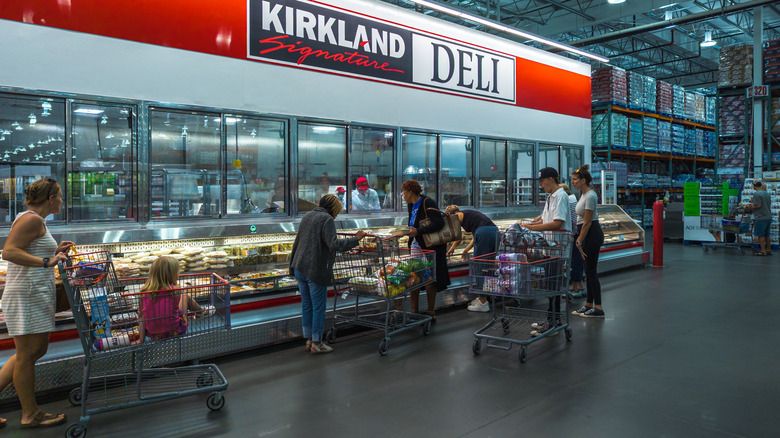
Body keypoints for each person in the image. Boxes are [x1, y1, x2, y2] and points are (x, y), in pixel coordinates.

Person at [0, 178, 72, 429]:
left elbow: (27, 249)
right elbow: (8, 251)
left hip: (33, 294)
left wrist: (53, 254)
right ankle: (30, 414)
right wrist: (46, 262)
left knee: (33, 351)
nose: (62, 200)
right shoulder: (31, 219)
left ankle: (31, 412)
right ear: (50, 198)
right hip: (25, 296)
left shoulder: (36, 220)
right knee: (27, 355)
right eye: (60, 196)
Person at [289, 194, 366, 354]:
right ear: (332, 208)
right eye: (337, 211)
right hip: (315, 269)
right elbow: (334, 244)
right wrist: (356, 239)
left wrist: (292, 267)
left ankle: (310, 339)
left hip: (299, 267)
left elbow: (297, 242)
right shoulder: (326, 219)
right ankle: (317, 343)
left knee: (307, 305)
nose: (336, 215)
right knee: (318, 307)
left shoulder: (308, 216)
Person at [524, 168, 572, 336]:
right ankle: (552, 319)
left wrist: (531, 227)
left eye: (542, 182)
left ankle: (553, 323)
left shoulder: (560, 196)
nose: (541, 185)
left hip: (557, 248)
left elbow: (558, 222)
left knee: (554, 286)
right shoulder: (551, 196)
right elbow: (546, 219)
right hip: (550, 247)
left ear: (550, 179)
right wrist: (529, 226)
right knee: (550, 285)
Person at [402, 179, 451, 320]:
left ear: (410, 192)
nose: (403, 195)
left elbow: (439, 222)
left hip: (430, 246)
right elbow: (412, 223)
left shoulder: (427, 202)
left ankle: (431, 311)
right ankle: (414, 310)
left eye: (404, 192)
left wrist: (418, 231)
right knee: (414, 276)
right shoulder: (410, 205)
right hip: (416, 245)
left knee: (430, 277)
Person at [135, 256, 204, 343]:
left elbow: (142, 317)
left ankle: (200, 311)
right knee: (184, 296)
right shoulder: (176, 289)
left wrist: (141, 340)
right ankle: (200, 311)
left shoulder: (143, 292)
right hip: (175, 332)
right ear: (171, 274)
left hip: (154, 335)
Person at [444, 205, 499, 313]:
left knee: (479, 266)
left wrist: (451, 248)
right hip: (494, 232)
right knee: (488, 266)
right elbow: (474, 238)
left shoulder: (457, 216)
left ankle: (483, 302)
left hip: (484, 233)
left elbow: (457, 236)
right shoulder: (470, 215)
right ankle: (489, 296)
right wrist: (465, 250)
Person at [570, 165, 606, 318]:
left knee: (591, 272)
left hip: (591, 234)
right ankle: (588, 305)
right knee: (588, 271)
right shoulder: (583, 194)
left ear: (583, 180)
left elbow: (587, 222)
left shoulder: (590, 195)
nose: (572, 182)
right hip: (587, 235)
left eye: (575, 179)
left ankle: (598, 307)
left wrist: (579, 240)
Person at [561, 183, 585, 297]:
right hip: (577, 233)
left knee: (574, 261)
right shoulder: (573, 200)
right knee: (577, 260)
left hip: (574, 234)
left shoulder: (568, 202)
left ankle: (576, 288)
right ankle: (579, 286)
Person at [748, 180, 772, 256]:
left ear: (754, 186)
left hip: (761, 217)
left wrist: (751, 207)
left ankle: (763, 251)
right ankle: (768, 249)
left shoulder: (757, 194)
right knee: (767, 235)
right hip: (768, 216)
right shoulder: (766, 193)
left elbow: (758, 205)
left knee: (761, 235)